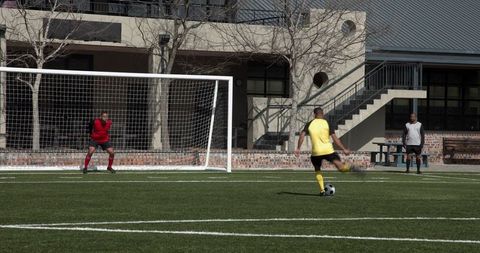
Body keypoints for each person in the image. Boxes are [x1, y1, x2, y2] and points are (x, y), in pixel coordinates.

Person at [295, 107, 358, 196]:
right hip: (328, 151)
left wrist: (298, 148)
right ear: (323, 114)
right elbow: (335, 139)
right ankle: (349, 167)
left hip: (316, 153)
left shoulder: (309, 124)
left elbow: (302, 135)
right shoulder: (327, 123)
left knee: (317, 170)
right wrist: (344, 149)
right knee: (341, 168)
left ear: (314, 114)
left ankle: (322, 190)